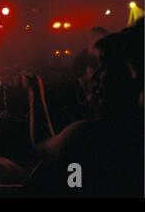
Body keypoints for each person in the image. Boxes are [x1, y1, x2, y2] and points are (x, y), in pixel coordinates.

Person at [24, 19, 143, 197]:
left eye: (104, 64)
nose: (95, 74)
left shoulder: (90, 135)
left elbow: (43, 145)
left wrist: (35, 91)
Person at [72, 26, 109, 119]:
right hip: (90, 99)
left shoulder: (110, 55)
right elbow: (78, 76)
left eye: (97, 36)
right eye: (92, 36)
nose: (94, 39)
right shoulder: (82, 57)